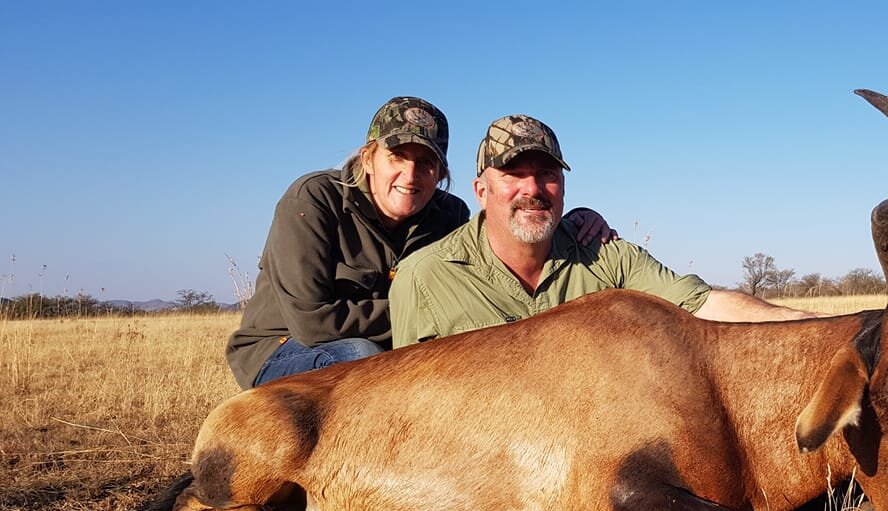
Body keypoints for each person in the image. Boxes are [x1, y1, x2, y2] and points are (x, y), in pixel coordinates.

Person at [227, 99, 613, 389]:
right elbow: (314, 324)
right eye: (398, 156)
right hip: (285, 349)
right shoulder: (312, 199)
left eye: (426, 163)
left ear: (441, 172)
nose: (410, 175)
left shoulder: (449, 215)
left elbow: (495, 254)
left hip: (394, 354)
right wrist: (423, 308)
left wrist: (570, 221)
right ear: (369, 158)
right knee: (363, 358)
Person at [390, 114, 813, 347]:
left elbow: (704, 305)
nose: (533, 189)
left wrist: (828, 329)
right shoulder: (422, 277)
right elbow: (406, 399)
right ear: (481, 191)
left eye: (547, 174)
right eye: (514, 175)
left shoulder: (606, 254)